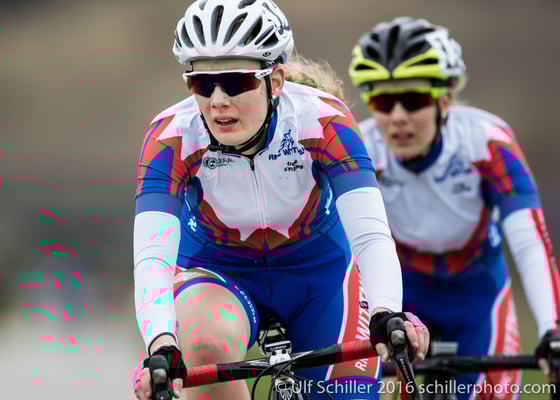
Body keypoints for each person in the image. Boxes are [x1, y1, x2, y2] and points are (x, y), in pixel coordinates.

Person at [131, 2, 430, 400]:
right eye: (202, 82)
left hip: (320, 274)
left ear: (275, 80)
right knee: (205, 346)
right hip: (218, 273)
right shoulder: (171, 136)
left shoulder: (323, 120)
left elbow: (371, 233)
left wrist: (386, 309)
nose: (217, 100)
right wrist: (161, 342)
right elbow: (152, 255)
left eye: (235, 82)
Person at [348, 16, 560, 400]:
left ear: (444, 100)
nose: (397, 117)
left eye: (413, 100)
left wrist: (552, 328)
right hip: (403, 292)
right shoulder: (361, 146)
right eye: (382, 101)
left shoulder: (486, 141)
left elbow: (530, 239)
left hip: (477, 292)